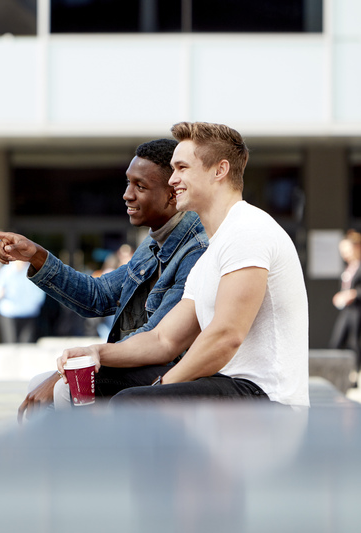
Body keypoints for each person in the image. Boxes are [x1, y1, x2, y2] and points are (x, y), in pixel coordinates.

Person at [58, 122, 309, 409]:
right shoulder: (213, 251)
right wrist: (97, 352)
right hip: (228, 385)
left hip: (267, 399)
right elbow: (164, 339)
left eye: (182, 168)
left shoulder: (247, 231)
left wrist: (162, 386)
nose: (172, 179)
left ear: (220, 170)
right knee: (93, 383)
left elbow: (226, 336)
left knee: (132, 403)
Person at [0, 139, 209, 421]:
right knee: (41, 385)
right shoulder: (154, 244)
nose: (127, 195)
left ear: (173, 194)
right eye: (128, 183)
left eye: (140, 186)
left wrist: (78, 364)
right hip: (143, 363)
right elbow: (97, 296)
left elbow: (158, 339)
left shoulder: (197, 250)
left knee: (64, 389)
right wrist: (36, 256)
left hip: (180, 373)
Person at [0, 260, 46, 343]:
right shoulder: (6, 271)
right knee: (11, 342)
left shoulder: (33, 270)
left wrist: (35, 303)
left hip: (29, 312)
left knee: (28, 343)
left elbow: (40, 291)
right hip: (10, 313)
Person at [329, 230, 361, 372]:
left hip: (358, 310)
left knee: (355, 343)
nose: (344, 254)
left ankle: (354, 373)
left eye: (346, 250)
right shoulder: (348, 267)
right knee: (337, 340)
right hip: (347, 310)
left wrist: (353, 294)